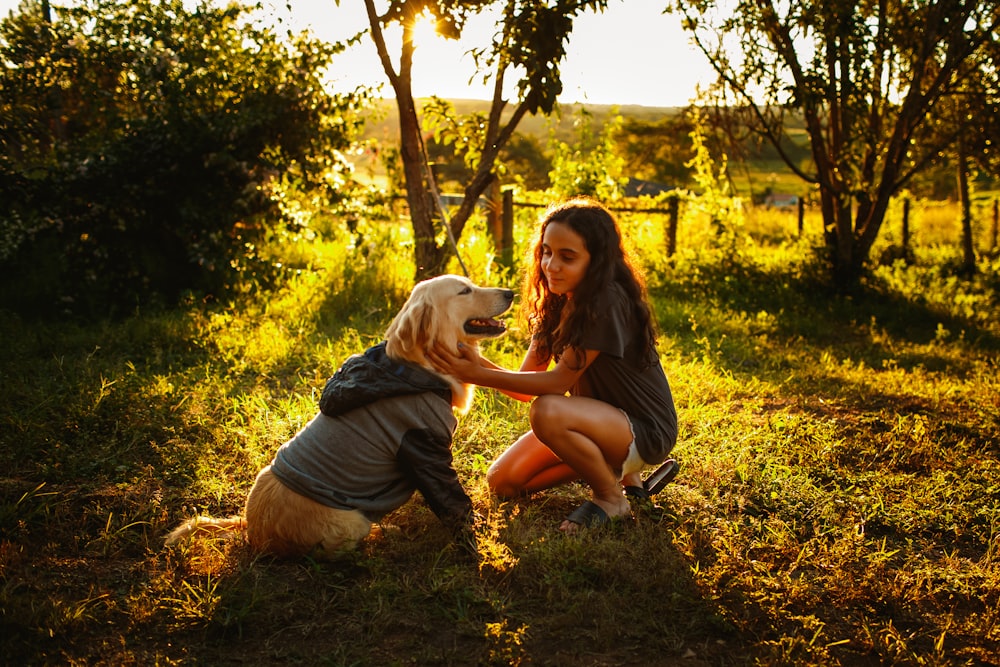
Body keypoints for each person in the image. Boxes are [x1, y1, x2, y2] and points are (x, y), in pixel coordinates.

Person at [427, 197, 678, 533]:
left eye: (567, 257)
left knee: (548, 411)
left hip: (645, 429)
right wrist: (476, 361)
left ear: (597, 261)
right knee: (503, 482)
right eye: (546, 251)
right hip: (599, 423)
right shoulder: (556, 302)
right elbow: (525, 383)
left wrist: (474, 374)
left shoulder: (606, 300)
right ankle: (620, 476)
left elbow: (555, 385)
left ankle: (610, 497)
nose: (551, 265)